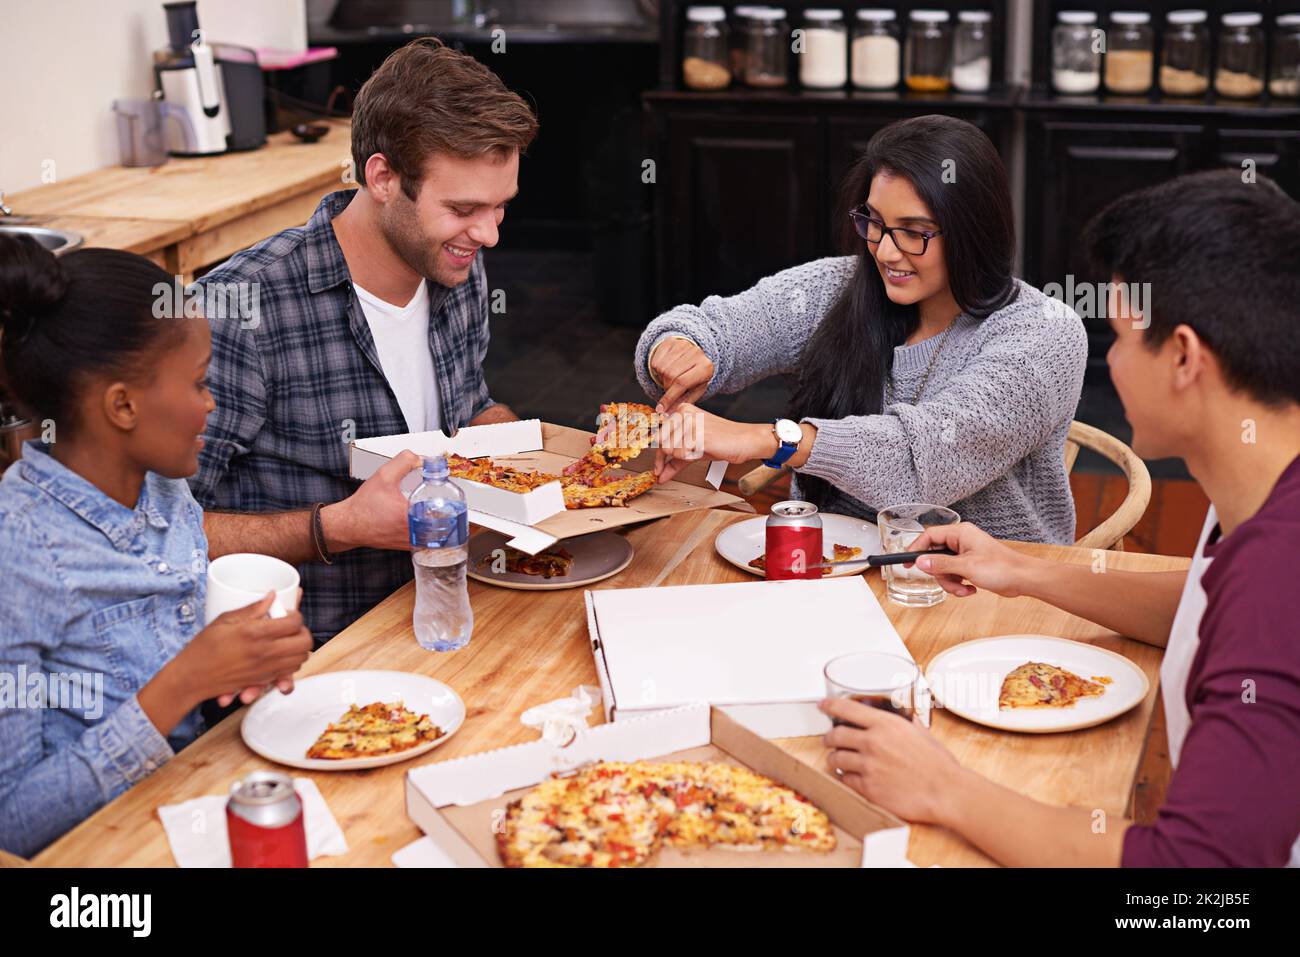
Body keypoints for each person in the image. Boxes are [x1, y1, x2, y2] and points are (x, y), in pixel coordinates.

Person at [822, 169, 1300, 867]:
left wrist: (946, 788)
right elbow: (1203, 605)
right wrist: (1022, 568)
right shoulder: (1265, 497)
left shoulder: (1278, 574)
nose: (1110, 358)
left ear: (1185, 357)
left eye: (1121, 336)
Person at [191, 37, 539, 643]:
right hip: (315, 661)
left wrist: (528, 455)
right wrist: (338, 526)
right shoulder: (237, 311)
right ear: (381, 177)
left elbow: (467, 404)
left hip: (454, 613)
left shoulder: (453, 261)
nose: (488, 235)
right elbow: (149, 536)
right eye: (463, 208)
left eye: (500, 207)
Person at [0, 237, 315, 857]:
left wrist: (242, 660)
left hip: (200, 800)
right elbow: (11, 824)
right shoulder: (20, 557)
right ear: (122, 405)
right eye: (198, 383)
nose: (211, 403)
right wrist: (184, 682)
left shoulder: (165, 488)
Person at [638, 114, 1087, 544]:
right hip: (828, 569)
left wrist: (762, 439)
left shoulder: (1044, 335)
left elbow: (918, 467)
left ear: (975, 230)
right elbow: (715, 326)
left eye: (914, 232)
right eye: (874, 223)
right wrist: (679, 346)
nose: (886, 253)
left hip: (983, 593)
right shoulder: (836, 287)